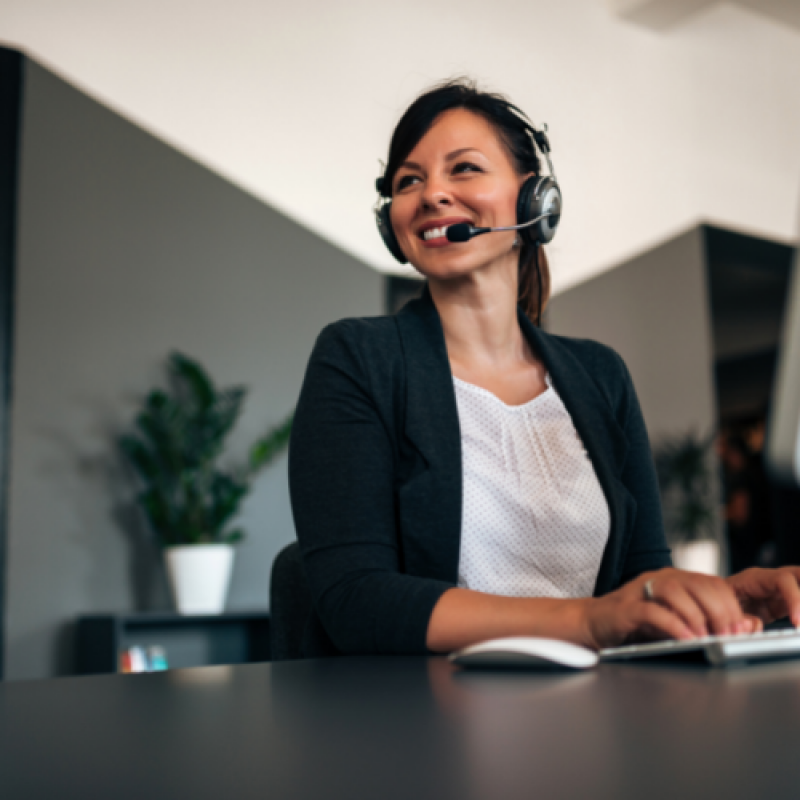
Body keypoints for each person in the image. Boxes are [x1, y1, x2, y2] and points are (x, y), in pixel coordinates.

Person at [288, 78, 800, 657]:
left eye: (464, 169)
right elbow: (357, 599)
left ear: (534, 200)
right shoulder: (358, 358)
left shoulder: (600, 376)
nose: (432, 194)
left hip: (597, 708)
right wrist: (587, 620)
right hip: (423, 721)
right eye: (410, 180)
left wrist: (721, 602)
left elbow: (642, 580)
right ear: (393, 223)